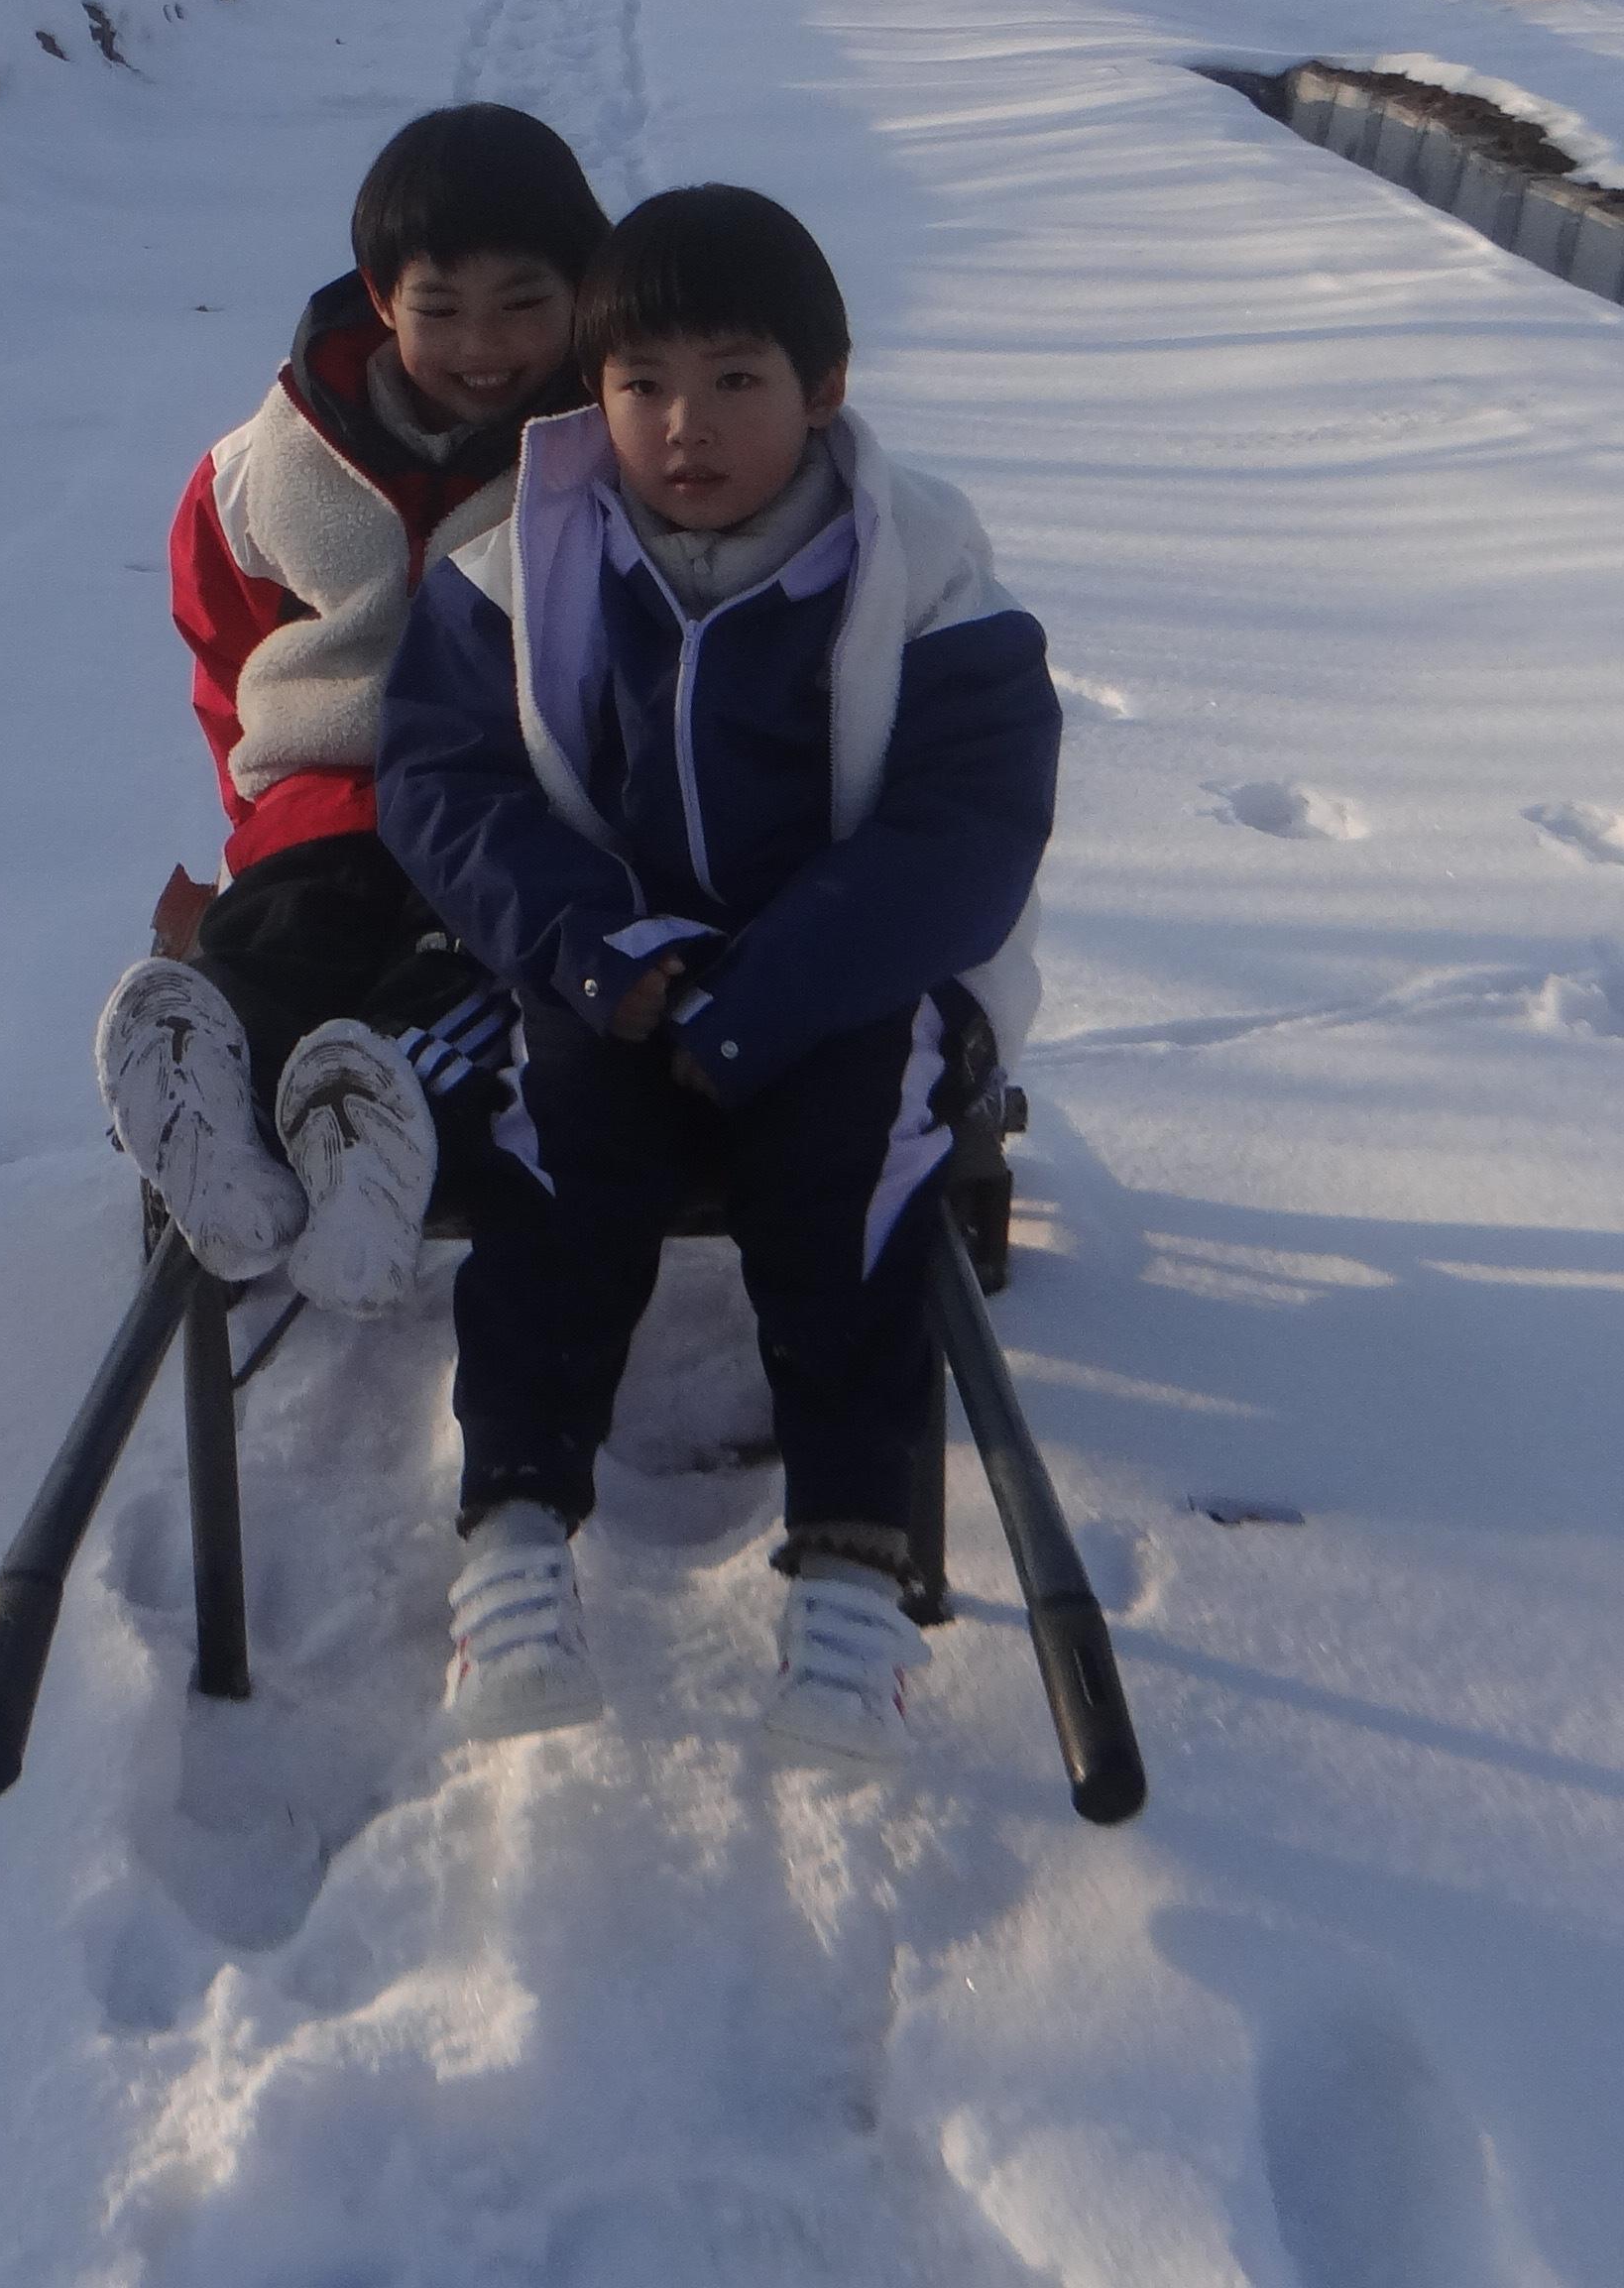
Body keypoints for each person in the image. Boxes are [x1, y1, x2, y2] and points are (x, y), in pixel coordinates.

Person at [376, 185, 1058, 1766]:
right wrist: (609, 957)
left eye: (737, 381)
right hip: (608, 977)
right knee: (557, 1167)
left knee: (860, 1181)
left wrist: (779, 989)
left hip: (843, 987)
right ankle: (517, 1539)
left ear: (822, 388)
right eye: (642, 386)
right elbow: (442, 787)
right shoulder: (516, 563)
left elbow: (972, 817)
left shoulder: (923, 561)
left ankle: (851, 1574)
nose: (686, 428)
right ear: (593, 395)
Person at [95, 103, 612, 1319]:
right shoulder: (273, 461)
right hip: (325, 798)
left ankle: (374, 1116)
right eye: (442, 309)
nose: (484, 346)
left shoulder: (607, 445)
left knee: (463, 975)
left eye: (524, 305)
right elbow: (226, 641)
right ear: (382, 299)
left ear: (584, 294)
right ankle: (207, 1099)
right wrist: (258, 805)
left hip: (501, 808)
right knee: (277, 948)